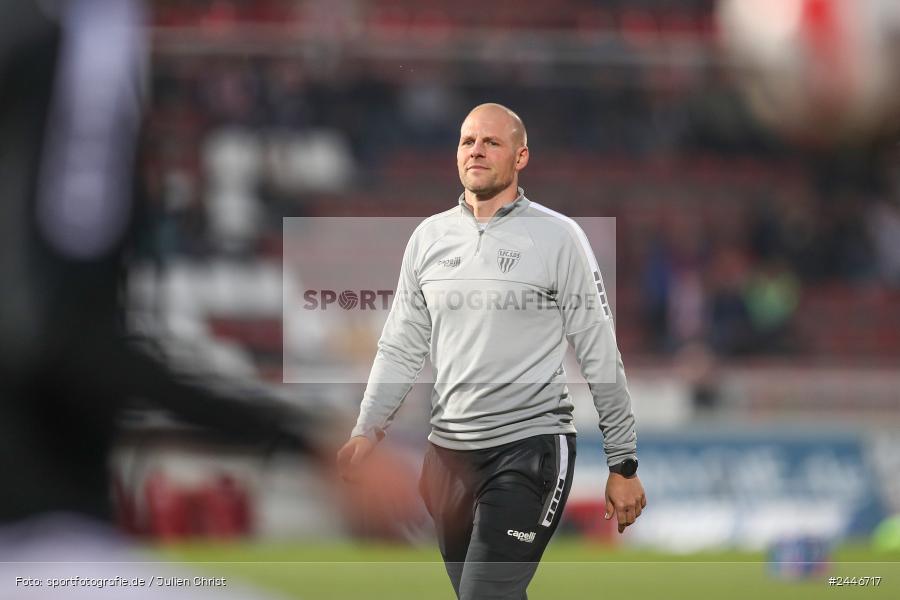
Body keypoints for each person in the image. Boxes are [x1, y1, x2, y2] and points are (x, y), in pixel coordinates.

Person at [338, 103, 646, 599]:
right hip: (447, 460)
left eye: (491, 142)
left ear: (521, 156)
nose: (476, 150)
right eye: (467, 141)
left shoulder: (559, 237)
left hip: (529, 450)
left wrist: (623, 462)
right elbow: (400, 347)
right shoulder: (427, 239)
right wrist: (365, 431)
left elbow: (599, 352)